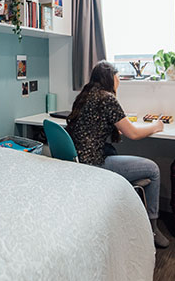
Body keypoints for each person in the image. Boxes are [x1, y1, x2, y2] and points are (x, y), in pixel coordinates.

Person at [66, 61, 169, 248]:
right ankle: (152, 229)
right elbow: (133, 134)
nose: (119, 81)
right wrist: (156, 125)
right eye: (118, 77)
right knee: (153, 169)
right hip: (93, 163)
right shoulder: (107, 98)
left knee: (113, 151)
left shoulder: (84, 95)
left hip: (78, 161)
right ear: (110, 78)